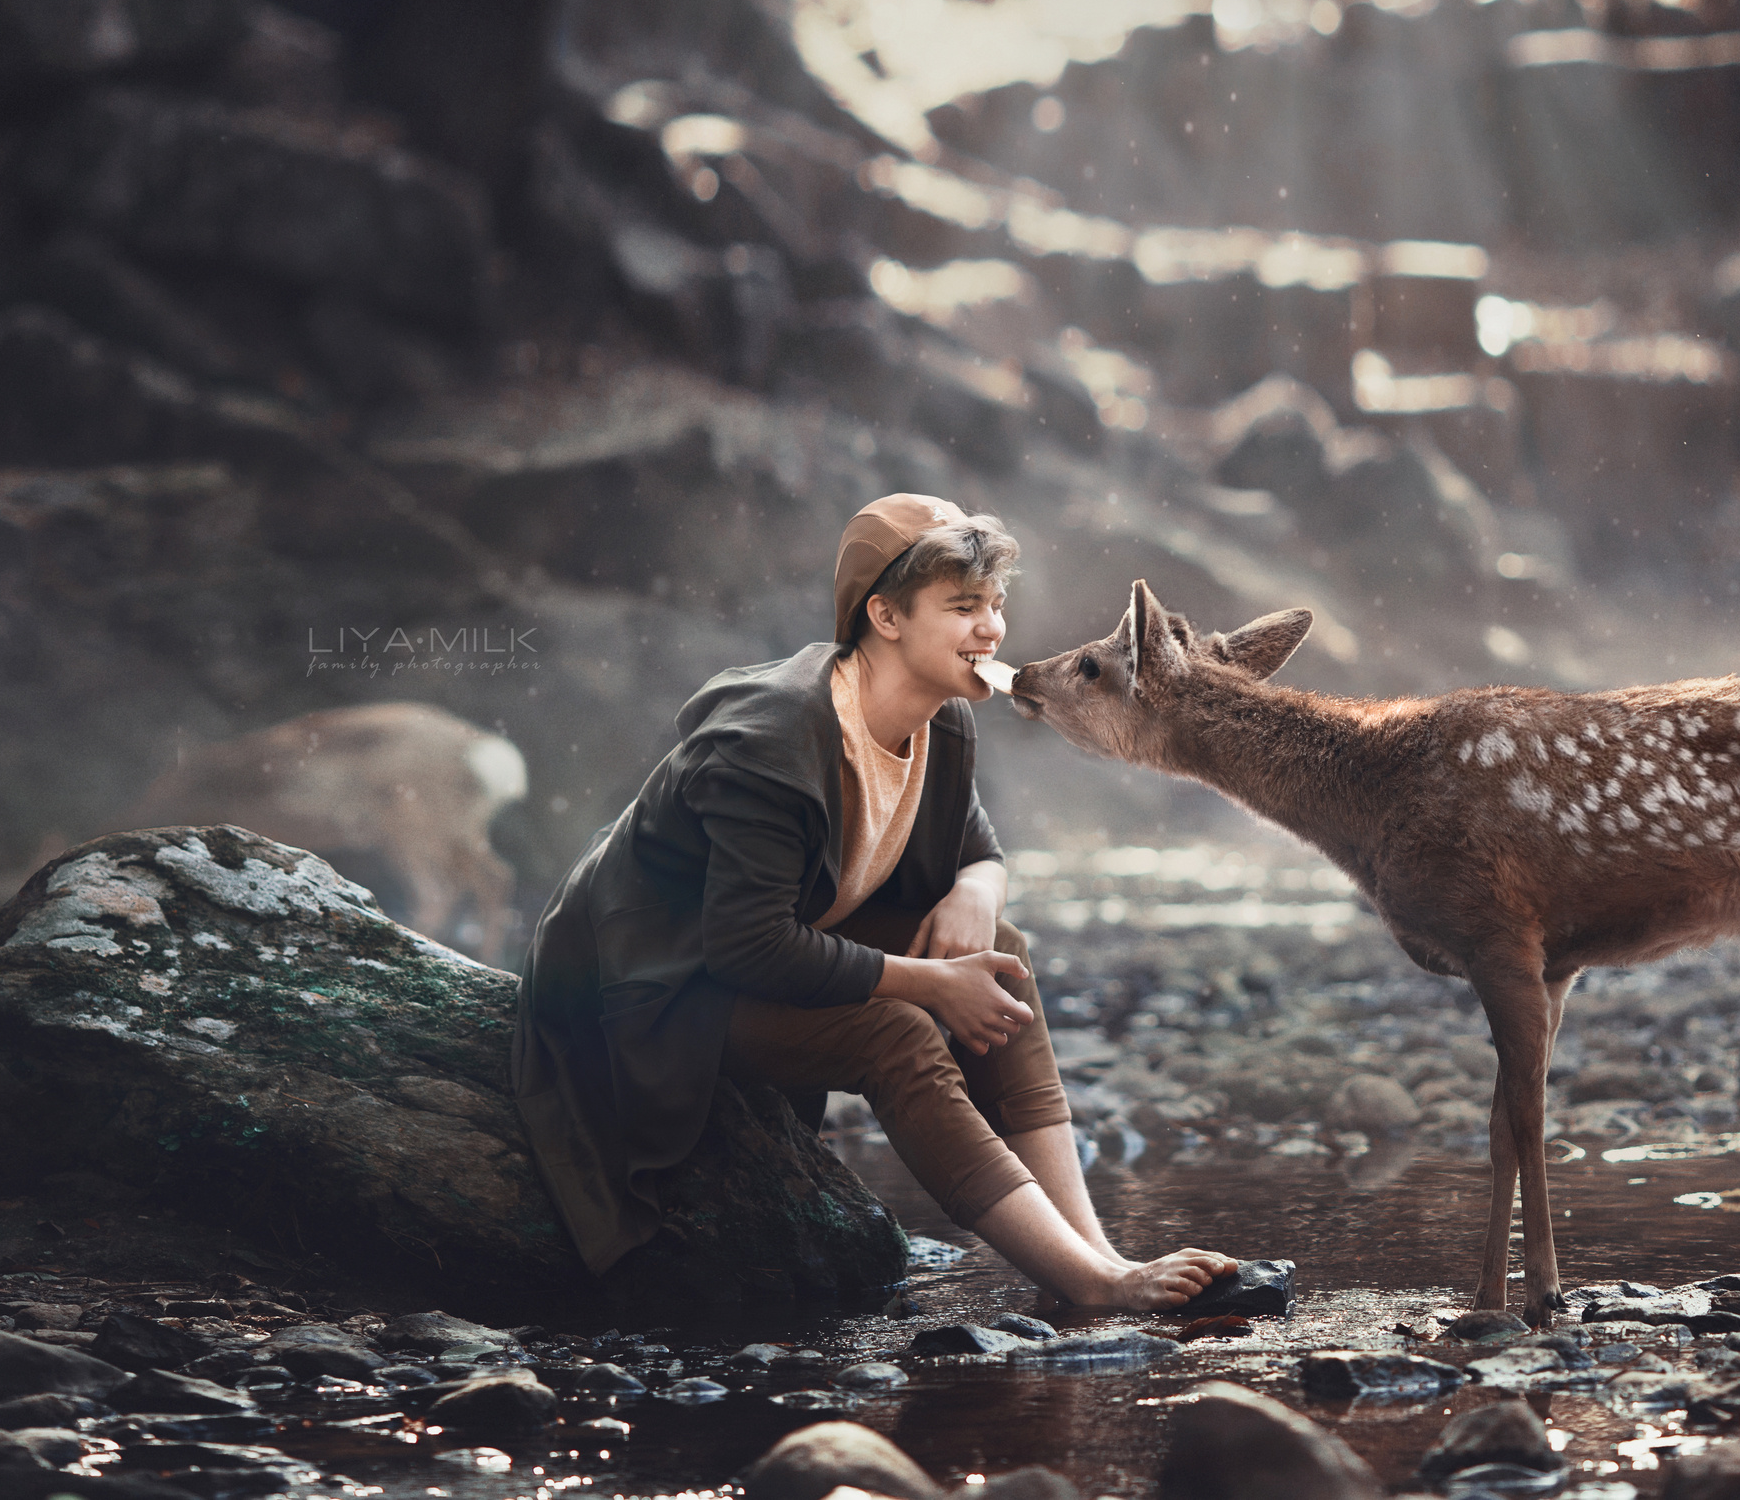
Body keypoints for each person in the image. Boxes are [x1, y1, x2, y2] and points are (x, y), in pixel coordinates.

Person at [513, 493, 1236, 1309]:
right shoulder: (773, 741)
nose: (993, 628)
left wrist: (975, 888)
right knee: (895, 1029)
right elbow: (746, 946)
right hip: (647, 984)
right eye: (964, 607)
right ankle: (1082, 1279)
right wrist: (930, 984)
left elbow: (978, 848)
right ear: (884, 615)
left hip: (762, 949)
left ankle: (1094, 1253)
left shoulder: (941, 721)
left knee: (1000, 952)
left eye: (995, 604)